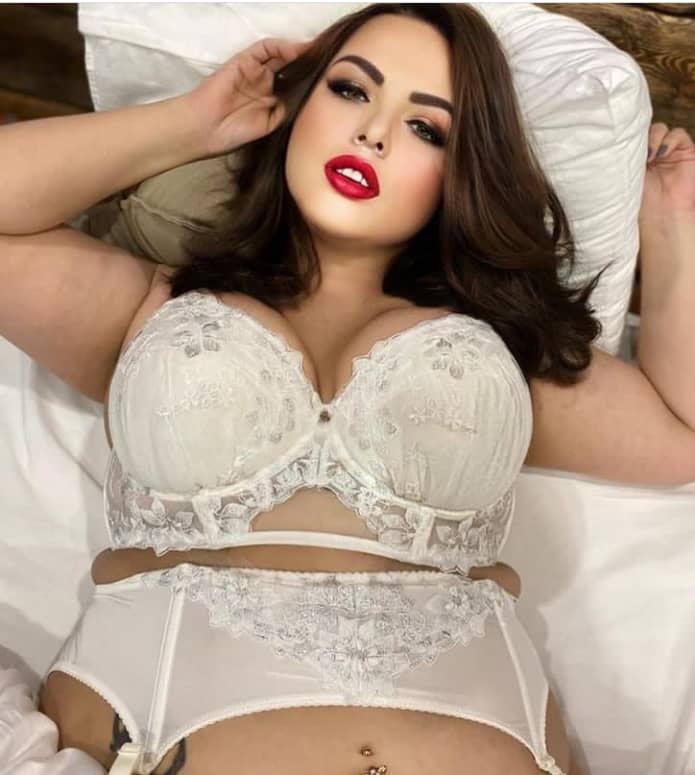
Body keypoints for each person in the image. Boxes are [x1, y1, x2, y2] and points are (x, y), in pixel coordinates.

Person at [1, 4, 693, 775]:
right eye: (351, 90)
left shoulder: (497, 347)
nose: (374, 133)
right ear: (298, 106)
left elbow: (680, 430)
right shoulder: (151, 303)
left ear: (460, 173)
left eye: (426, 128)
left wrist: (672, 226)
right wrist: (193, 123)